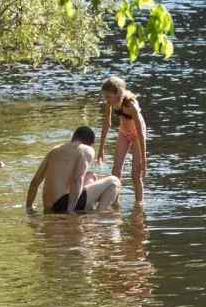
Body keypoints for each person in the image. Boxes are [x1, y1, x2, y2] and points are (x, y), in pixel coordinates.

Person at [26, 126, 121, 213]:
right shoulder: (87, 150)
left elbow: (35, 181)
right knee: (114, 181)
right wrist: (70, 211)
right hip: (64, 205)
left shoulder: (54, 150)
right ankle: (98, 215)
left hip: (48, 206)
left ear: (73, 138)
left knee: (91, 175)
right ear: (90, 143)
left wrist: (29, 208)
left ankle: (86, 210)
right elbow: (77, 179)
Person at [97, 76, 147, 204]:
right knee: (116, 171)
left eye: (108, 96)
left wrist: (144, 160)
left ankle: (139, 205)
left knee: (136, 174)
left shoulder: (130, 105)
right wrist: (101, 148)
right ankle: (115, 203)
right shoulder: (109, 103)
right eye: (104, 96)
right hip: (124, 132)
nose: (105, 99)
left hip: (137, 134)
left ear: (118, 94)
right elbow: (106, 123)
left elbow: (141, 133)